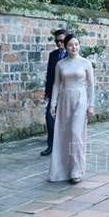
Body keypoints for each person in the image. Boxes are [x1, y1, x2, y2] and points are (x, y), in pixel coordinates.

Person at [49, 34, 95, 184]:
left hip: (80, 98)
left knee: (76, 134)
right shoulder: (60, 64)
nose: (74, 47)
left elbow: (91, 86)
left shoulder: (85, 63)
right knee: (64, 134)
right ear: (65, 46)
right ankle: (63, 168)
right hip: (64, 99)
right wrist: (53, 103)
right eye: (70, 45)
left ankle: (77, 169)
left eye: (76, 44)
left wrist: (91, 105)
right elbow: (56, 84)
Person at [42, 28, 67, 156]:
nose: (59, 44)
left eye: (62, 41)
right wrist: (47, 93)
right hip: (54, 92)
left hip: (67, 92)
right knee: (49, 118)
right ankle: (51, 145)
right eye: (57, 41)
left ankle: (64, 147)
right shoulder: (53, 55)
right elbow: (49, 75)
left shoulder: (71, 55)